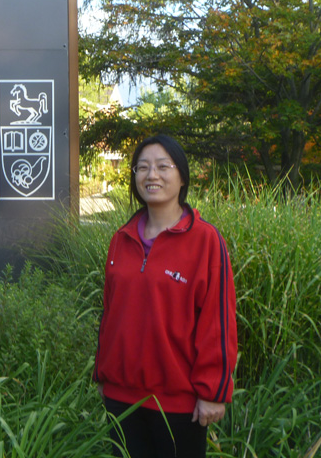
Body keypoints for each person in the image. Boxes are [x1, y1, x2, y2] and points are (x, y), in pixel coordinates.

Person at [93, 134, 238, 458]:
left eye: (162, 166)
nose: (151, 175)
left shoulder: (205, 240)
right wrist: (102, 373)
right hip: (121, 399)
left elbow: (218, 321)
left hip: (179, 404)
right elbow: (110, 312)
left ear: (182, 176)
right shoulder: (121, 239)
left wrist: (213, 392)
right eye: (142, 167)